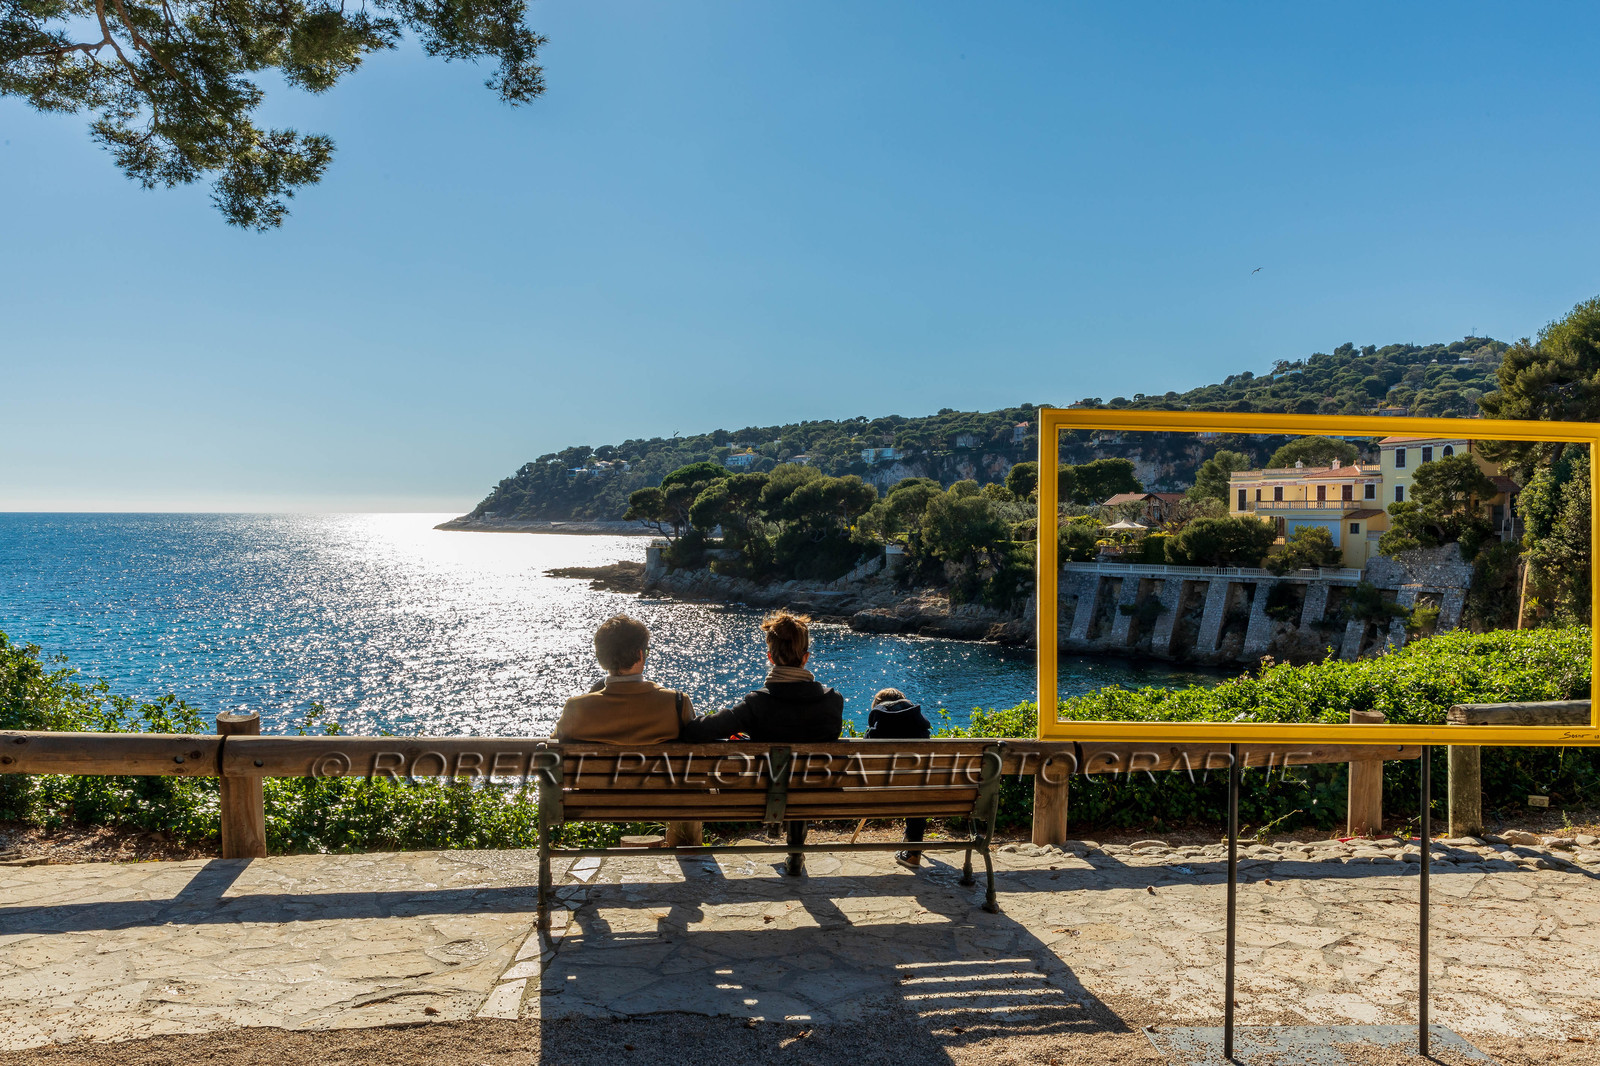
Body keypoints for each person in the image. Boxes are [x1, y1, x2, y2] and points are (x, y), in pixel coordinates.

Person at [679, 611, 843, 875]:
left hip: (765, 794)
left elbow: (699, 731)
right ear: (805, 658)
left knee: (779, 775)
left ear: (770, 658)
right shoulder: (833, 701)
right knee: (799, 774)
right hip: (814, 791)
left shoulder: (756, 703)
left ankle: (775, 824)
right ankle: (796, 852)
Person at [553, 614, 693, 744]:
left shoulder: (576, 709)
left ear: (601, 658)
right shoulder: (677, 704)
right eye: (646, 652)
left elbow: (552, 752)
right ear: (640, 654)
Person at [863, 687, 933, 868]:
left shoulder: (875, 731)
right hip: (920, 794)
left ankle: (911, 850)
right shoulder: (922, 729)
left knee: (913, 789)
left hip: (878, 795)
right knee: (918, 791)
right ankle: (913, 853)